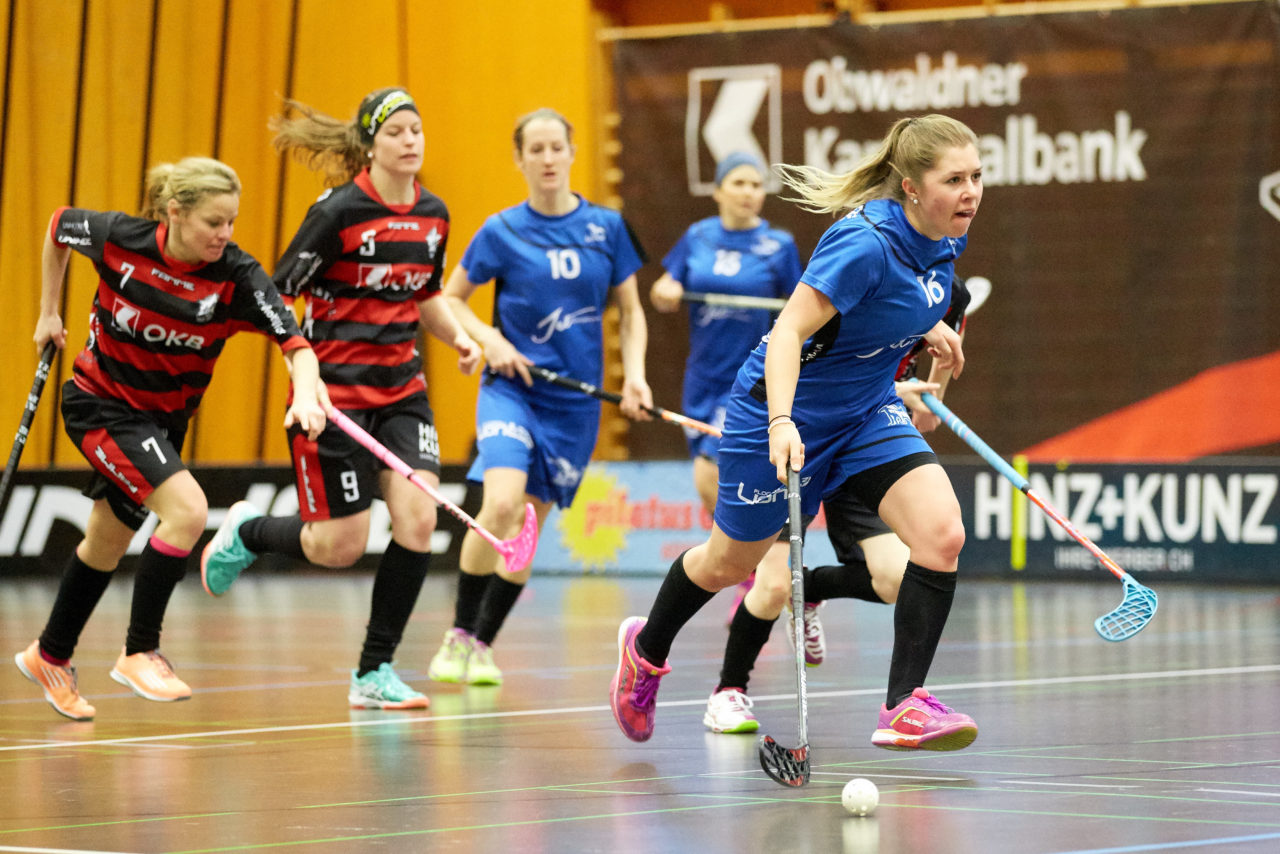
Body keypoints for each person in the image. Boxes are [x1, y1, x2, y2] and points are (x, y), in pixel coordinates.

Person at [610, 114, 982, 753]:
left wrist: (925, 330)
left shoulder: (946, 240)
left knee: (943, 534)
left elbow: (888, 309)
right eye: (955, 179)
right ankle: (645, 652)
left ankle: (904, 705)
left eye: (977, 176)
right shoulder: (862, 242)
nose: (972, 191)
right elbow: (787, 333)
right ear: (911, 188)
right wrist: (781, 422)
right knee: (731, 563)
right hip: (778, 413)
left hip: (864, 412)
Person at [13, 157, 327, 721]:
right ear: (175, 213)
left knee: (105, 543)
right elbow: (59, 226)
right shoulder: (120, 238)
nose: (225, 234)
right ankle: (139, 652)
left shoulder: (235, 278)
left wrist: (306, 394)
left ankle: (49, 655)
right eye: (214, 222)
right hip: (100, 404)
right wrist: (47, 312)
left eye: (232, 221)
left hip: (160, 423)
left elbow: (295, 344)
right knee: (188, 510)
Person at [199, 88, 481, 711]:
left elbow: (425, 293)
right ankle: (249, 531)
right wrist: (305, 374)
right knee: (340, 546)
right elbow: (274, 296)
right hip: (334, 399)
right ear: (371, 144)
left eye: (418, 129)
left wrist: (457, 335)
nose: (411, 141)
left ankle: (373, 672)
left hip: (402, 391)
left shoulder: (434, 214)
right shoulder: (339, 212)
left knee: (418, 521)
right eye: (398, 131)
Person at [427, 107, 652, 686]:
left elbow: (630, 312)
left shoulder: (608, 227)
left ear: (574, 152)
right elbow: (451, 300)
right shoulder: (501, 230)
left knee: (527, 525)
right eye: (537, 150)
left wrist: (636, 376)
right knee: (500, 505)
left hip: (574, 406)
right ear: (519, 158)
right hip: (512, 391)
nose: (548, 159)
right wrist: (489, 337)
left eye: (558, 147)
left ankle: (481, 644)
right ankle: (456, 635)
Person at [702, 279, 972, 734]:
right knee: (769, 586)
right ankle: (729, 691)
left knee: (893, 578)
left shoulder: (949, 289)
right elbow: (799, 350)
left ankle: (808, 588)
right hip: (809, 432)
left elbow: (932, 388)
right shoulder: (859, 271)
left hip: (863, 440)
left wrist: (920, 394)